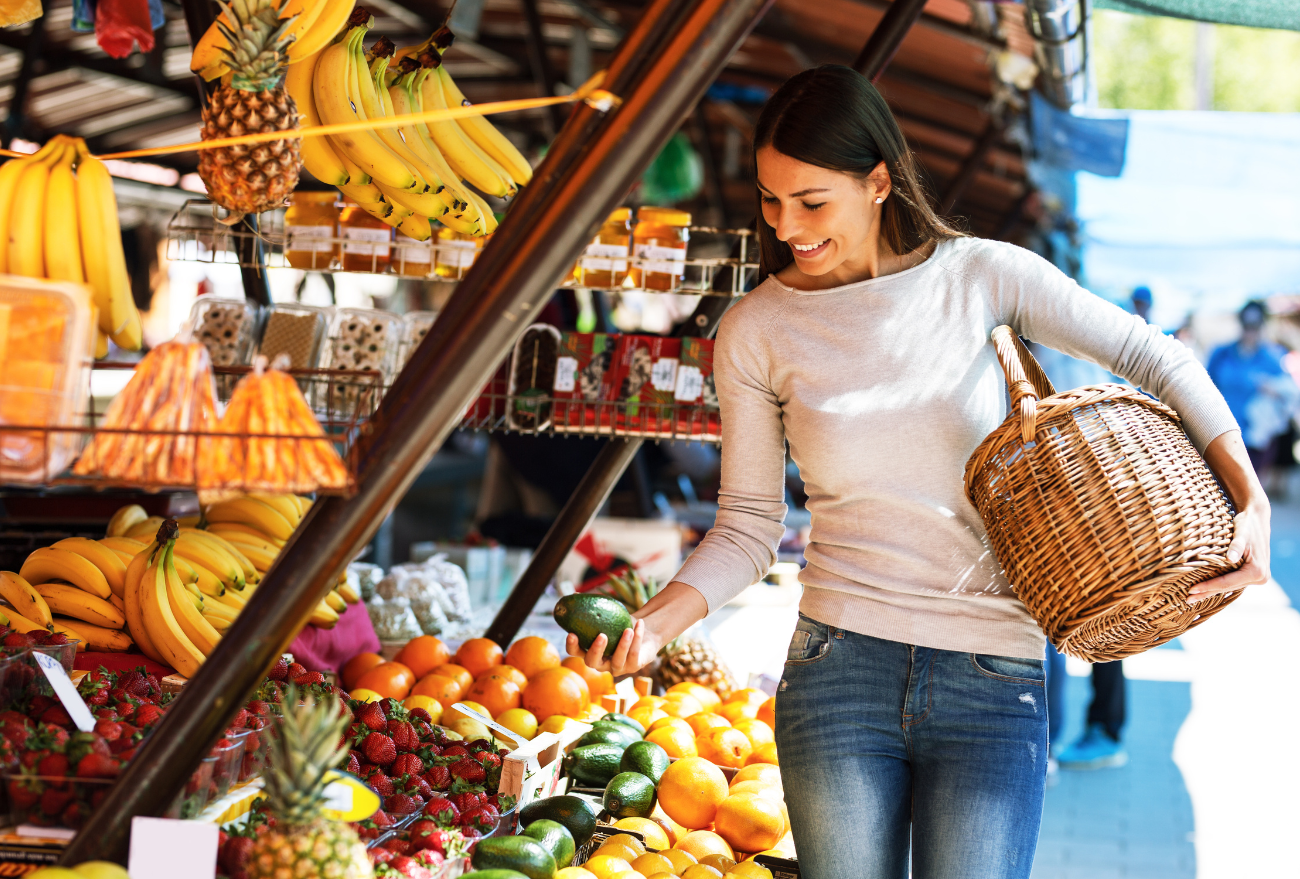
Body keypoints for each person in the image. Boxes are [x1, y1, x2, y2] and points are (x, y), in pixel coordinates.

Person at [568, 65, 1269, 879]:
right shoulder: (756, 330)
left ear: (878, 182)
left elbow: (1156, 356)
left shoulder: (981, 276)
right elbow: (749, 525)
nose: (788, 225)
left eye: (812, 201)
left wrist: (1248, 499)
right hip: (838, 676)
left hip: (992, 677)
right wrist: (657, 621)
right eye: (771, 199)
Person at [1207, 300, 1297, 478]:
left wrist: (1274, 390)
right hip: (1219, 435)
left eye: (1255, 325)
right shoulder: (1221, 354)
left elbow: (1291, 395)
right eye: (1247, 324)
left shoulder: (1273, 358)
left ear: (1262, 325)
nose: (1250, 330)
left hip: (1254, 443)